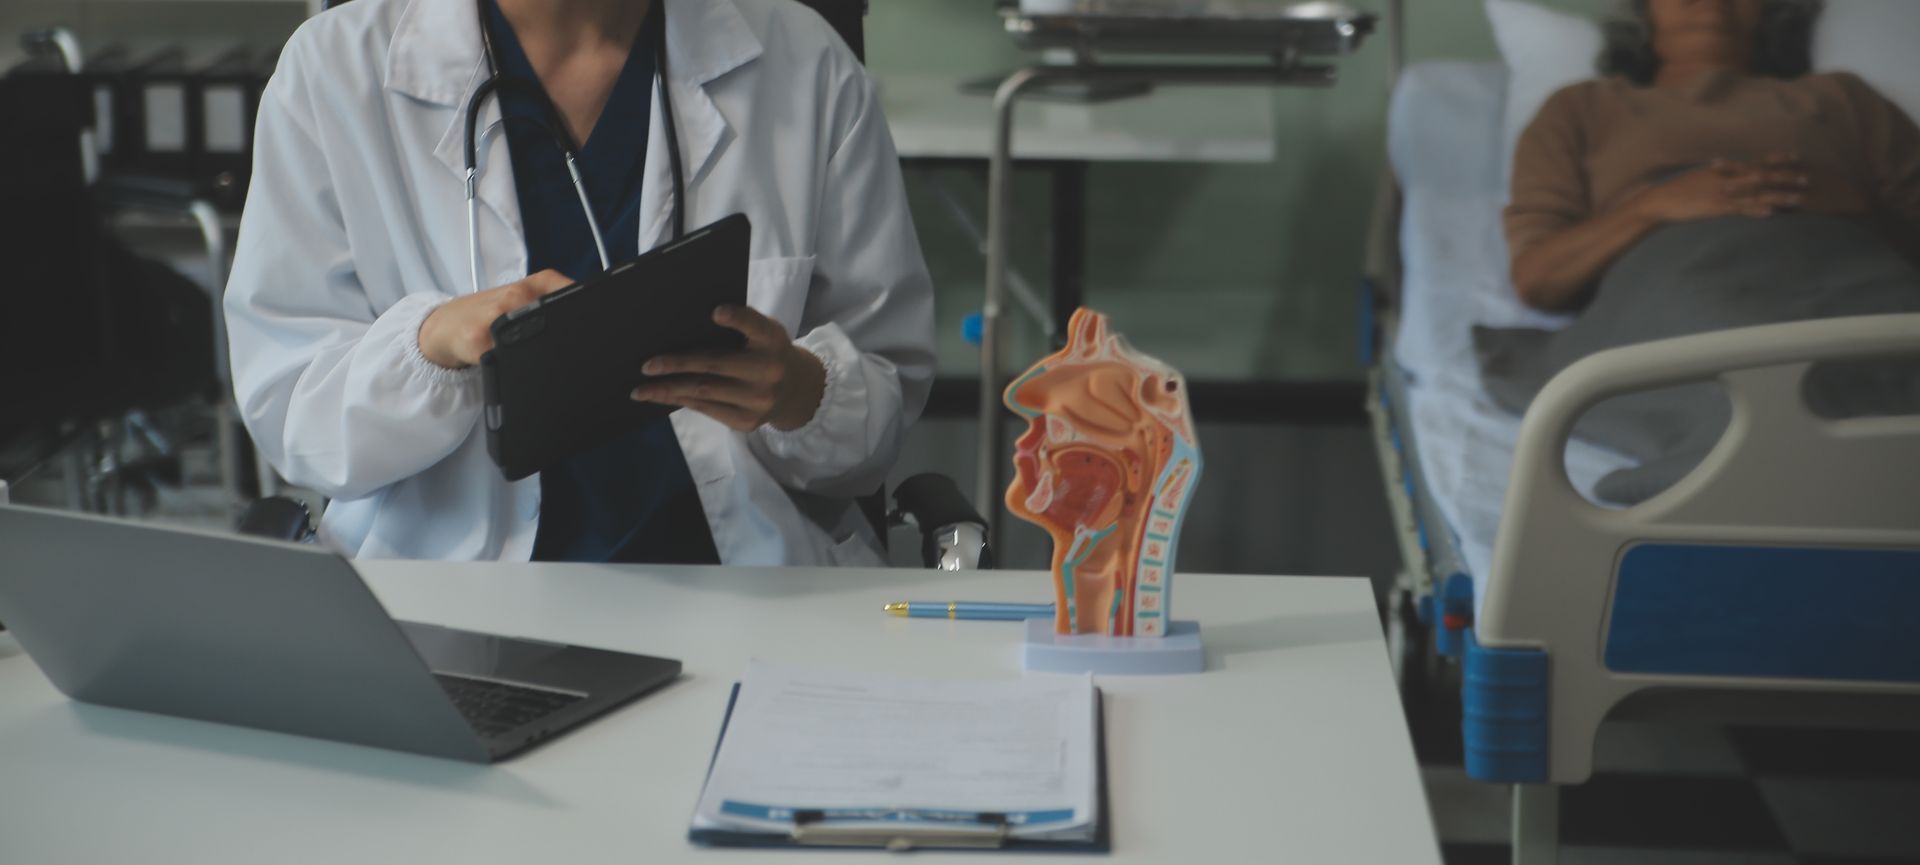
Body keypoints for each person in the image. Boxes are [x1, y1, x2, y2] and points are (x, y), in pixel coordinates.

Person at [224, 0, 935, 564]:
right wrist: (426, 346)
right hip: (446, 594)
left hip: (742, 586)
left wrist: (800, 392)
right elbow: (292, 411)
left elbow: (884, 398)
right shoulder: (331, 73)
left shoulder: (806, 66)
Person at [1505, 0, 1920, 311]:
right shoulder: (1580, 108)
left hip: (1855, 307)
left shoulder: (1844, 99)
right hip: (1672, 317)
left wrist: (1861, 212)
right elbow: (1538, 279)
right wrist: (1652, 208)